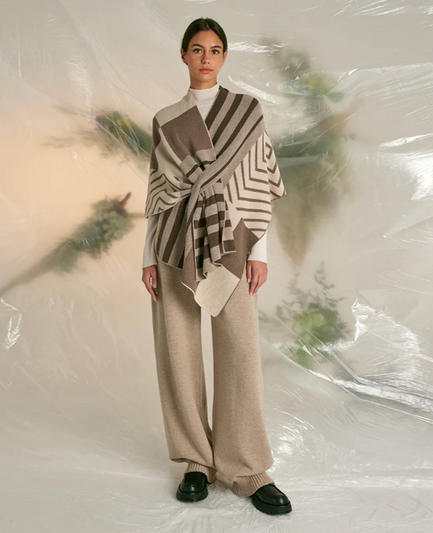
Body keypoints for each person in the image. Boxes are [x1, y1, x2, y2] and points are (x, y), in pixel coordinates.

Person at [141, 17, 292, 516]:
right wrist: (148, 259)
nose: (206, 58)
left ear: (224, 56)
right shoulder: (166, 119)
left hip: (232, 244)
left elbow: (259, 185)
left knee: (240, 351)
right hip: (173, 245)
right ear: (184, 55)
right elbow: (158, 194)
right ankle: (195, 462)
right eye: (197, 49)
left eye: (215, 50)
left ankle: (246, 468)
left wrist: (259, 254)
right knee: (177, 351)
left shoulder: (247, 111)